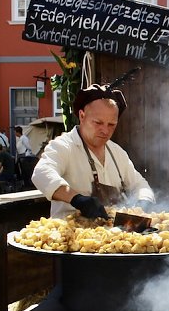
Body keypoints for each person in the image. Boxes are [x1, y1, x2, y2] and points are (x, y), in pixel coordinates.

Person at [32, 81, 155, 219]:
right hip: (70, 236)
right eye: (98, 123)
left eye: (111, 124)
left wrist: (144, 201)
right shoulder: (63, 146)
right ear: (82, 116)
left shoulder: (117, 153)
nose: (105, 130)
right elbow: (41, 173)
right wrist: (76, 199)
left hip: (112, 236)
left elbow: (140, 185)